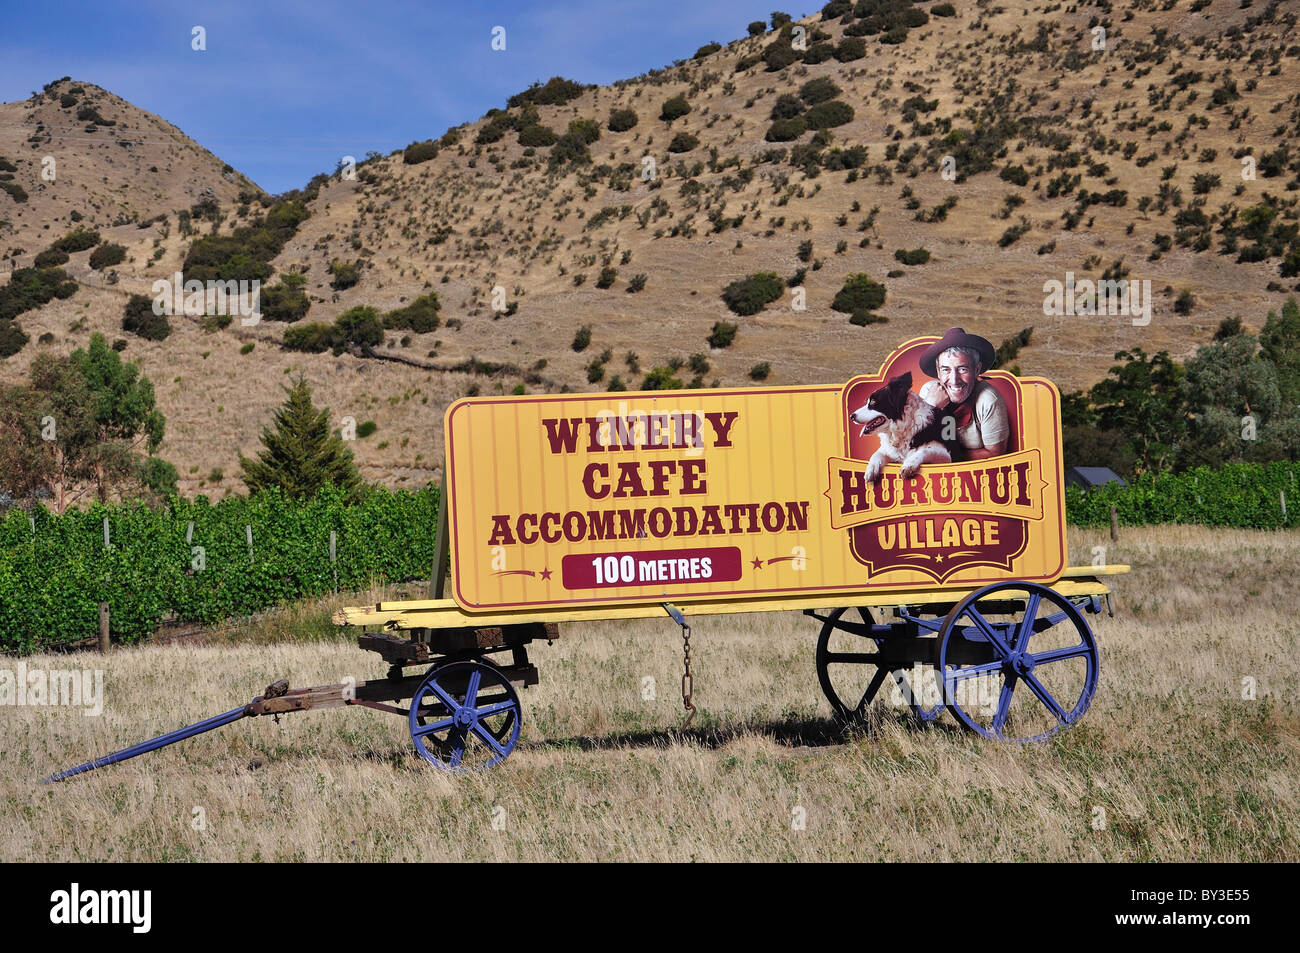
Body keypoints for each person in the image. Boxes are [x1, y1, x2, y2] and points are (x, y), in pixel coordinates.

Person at [916, 328, 1010, 460]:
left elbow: (995, 454)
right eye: (946, 370)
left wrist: (943, 456)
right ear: (938, 372)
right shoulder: (928, 392)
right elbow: (912, 444)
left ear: (976, 369)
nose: (954, 380)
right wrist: (931, 408)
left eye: (962, 369)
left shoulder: (988, 399)